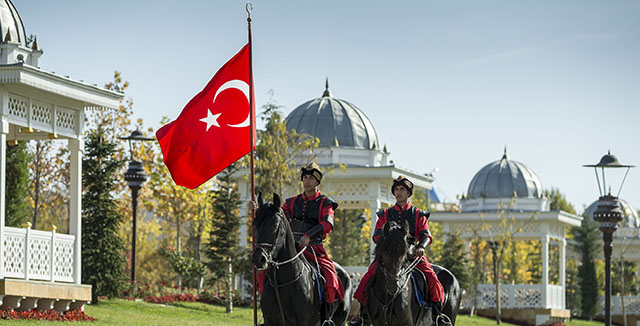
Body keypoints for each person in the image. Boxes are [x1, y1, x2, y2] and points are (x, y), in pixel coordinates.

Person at [252, 163, 344, 322]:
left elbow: (327, 224)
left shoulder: (325, 203)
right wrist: (258, 211)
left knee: (330, 277)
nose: (307, 181)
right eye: (305, 178)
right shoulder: (292, 202)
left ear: (317, 182)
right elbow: (277, 218)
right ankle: (267, 316)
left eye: (311, 178)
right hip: (291, 245)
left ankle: (326, 319)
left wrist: (309, 235)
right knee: (262, 275)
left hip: (313, 247)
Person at [350, 176, 444, 326]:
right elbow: (376, 235)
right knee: (368, 276)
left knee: (431, 277)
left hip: (413, 254)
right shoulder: (385, 214)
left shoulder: (418, 214)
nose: (399, 192)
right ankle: (363, 316)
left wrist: (421, 247)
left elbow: (426, 235)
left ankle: (438, 315)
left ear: (408, 193)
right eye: (396, 189)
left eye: (402, 190)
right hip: (389, 256)